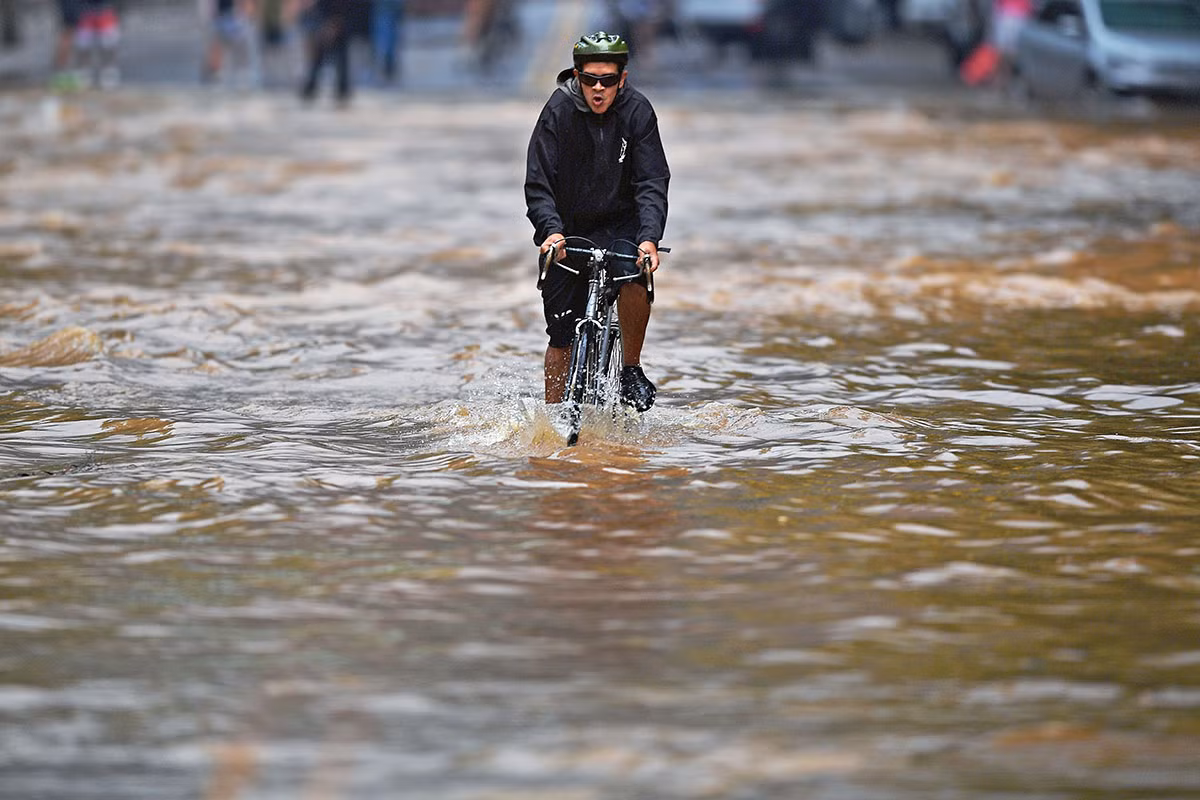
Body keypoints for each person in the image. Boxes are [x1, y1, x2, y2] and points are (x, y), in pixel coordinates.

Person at [524, 31, 670, 412]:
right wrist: (550, 232)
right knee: (559, 336)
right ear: (577, 75)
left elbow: (652, 182)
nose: (598, 89)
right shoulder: (557, 111)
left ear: (622, 78)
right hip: (568, 229)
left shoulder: (638, 112)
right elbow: (538, 183)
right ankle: (555, 418)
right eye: (589, 80)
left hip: (623, 226)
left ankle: (631, 369)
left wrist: (650, 239)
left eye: (607, 80)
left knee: (636, 273)